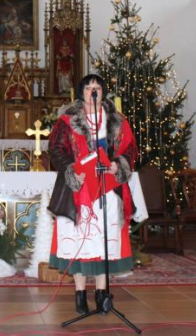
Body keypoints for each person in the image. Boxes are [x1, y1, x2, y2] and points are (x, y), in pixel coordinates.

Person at [47, 74, 138, 315]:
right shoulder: (67, 121)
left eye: (97, 87)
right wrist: (70, 170)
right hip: (78, 188)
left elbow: (130, 148)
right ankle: (79, 295)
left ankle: (101, 293)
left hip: (109, 188)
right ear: (81, 92)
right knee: (80, 241)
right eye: (88, 88)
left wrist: (119, 164)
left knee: (104, 241)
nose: (93, 91)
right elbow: (55, 149)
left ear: (103, 91)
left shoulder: (117, 121)